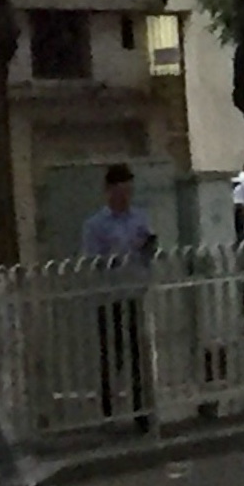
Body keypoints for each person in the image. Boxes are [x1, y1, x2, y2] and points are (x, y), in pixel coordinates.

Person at [78, 163, 155, 425]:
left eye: (129, 193)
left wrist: (146, 248)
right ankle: (109, 412)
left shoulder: (139, 218)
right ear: (109, 192)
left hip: (134, 291)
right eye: (120, 193)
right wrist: (115, 256)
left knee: (136, 354)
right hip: (109, 295)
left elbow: (147, 252)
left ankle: (140, 411)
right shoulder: (95, 224)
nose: (125, 198)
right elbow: (91, 260)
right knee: (111, 356)